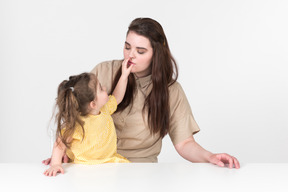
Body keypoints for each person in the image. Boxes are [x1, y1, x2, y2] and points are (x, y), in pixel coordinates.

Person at [43, 17, 240, 169]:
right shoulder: (103, 72)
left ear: (156, 53)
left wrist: (209, 157)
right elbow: (75, 118)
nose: (130, 55)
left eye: (140, 51)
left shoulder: (171, 91)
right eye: (127, 47)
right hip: (93, 165)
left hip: (139, 168)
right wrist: (60, 156)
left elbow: (185, 143)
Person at [44, 59, 133, 177]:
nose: (105, 88)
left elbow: (117, 97)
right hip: (82, 168)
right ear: (93, 104)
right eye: (101, 88)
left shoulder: (104, 109)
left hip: (109, 163)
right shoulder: (76, 124)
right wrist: (55, 163)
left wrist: (124, 75)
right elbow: (60, 144)